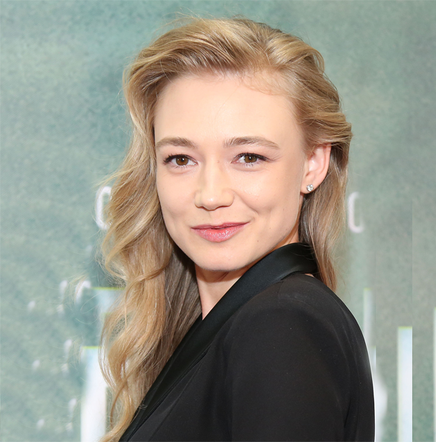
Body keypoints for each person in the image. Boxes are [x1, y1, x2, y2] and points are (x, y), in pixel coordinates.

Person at [100, 17, 374, 442]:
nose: (210, 195)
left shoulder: (282, 323)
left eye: (249, 157)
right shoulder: (232, 328)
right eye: (181, 159)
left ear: (313, 164)